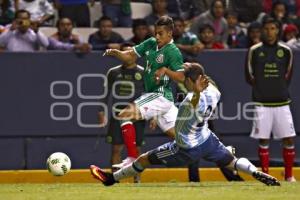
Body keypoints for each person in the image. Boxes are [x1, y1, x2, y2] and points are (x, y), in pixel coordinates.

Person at [90, 63, 280, 186]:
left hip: (185, 148)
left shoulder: (189, 100)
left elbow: (193, 103)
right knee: (232, 161)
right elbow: (200, 88)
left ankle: (110, 179)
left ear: (189, 80)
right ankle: (258, 173)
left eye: (183, 75)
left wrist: (192, 94)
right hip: (207, 140)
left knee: (144, 159)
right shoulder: (215, 91)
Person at [99, 16, 185, 167]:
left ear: (170, 34)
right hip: (162, 100)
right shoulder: (151, 43)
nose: (157, 36)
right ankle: (221, 151)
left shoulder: (173, 52)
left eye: (161, 33)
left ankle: (132, 157)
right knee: (183, 139)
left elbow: (181, 77)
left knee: (124, 115)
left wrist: (165, 70)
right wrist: (117, 53)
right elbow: (130, 55)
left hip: (159, 95)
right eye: (156, 33)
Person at [245, 17, 296, 182]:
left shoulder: (286, 51)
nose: (269, 32)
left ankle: (289, 176)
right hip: (262, 103)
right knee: (264, 139)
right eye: (266, 29)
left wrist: (277, 88)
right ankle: (266, 175)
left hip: (282, 102)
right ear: (261, 31)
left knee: (288, 139)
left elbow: (288, 76)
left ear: (278, 30)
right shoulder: (254, 50)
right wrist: (263, 89)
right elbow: (249, 76)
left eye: (273, 28)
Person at [99, 43, 146, 182]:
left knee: (136, 150)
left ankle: (137, 180)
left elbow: (150, 95)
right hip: (117, 116)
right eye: (123, 53)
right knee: (116, 149)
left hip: (137, 116)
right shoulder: (113, 72)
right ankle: (115, 179)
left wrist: (154, 116)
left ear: (136, 56)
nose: (126, 56)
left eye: (130, 53)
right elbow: (105, 93)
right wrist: (101, 112)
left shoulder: (143, 72)